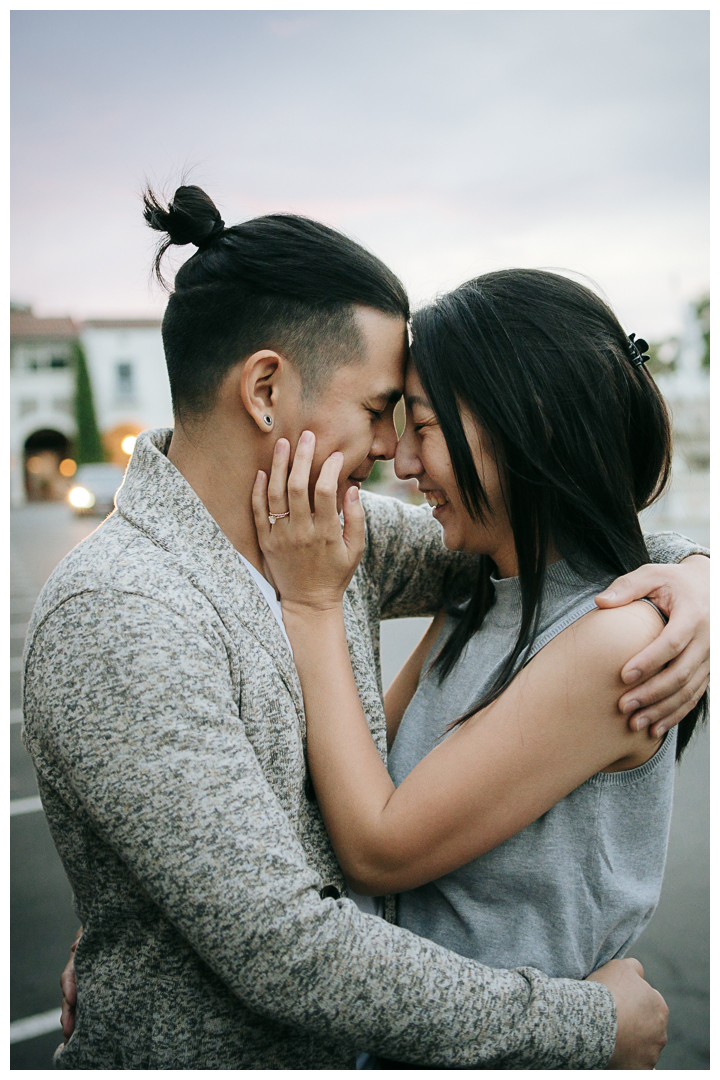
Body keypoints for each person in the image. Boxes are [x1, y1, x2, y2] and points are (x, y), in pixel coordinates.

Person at [26, 187, 706, 1070]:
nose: (394, 451)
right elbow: (286, 950)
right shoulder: (123, 613)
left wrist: (694, 575)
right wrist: (587, 1027)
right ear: (266, 390)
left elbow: (533, 529)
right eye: (381, 409)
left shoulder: (337, 535)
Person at [251, 269, 710, 1068]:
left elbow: (379, 846)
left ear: (526, 422)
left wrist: (314, 605)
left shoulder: (612, 641)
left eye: (423, 428)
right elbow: (347, 777)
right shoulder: (488, 590)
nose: (403, 464)